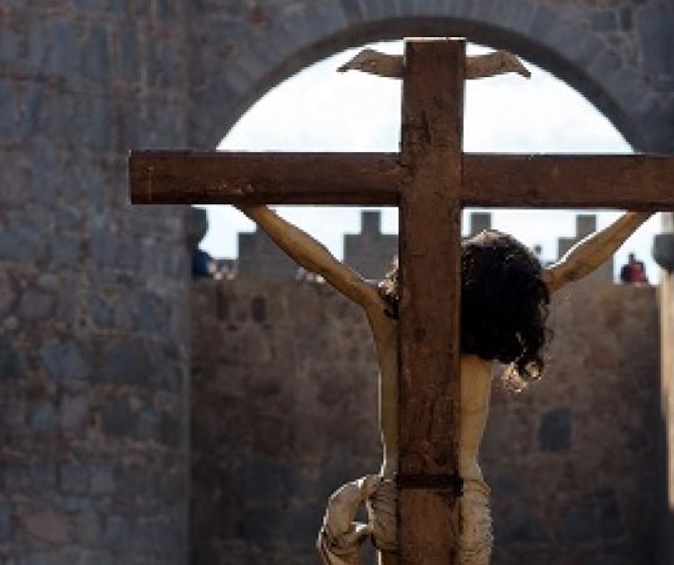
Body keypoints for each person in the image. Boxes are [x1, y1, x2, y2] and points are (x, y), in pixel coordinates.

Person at [236, 204, 652, 565]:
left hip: (398, 490)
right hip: (465, 500)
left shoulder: (390, 318)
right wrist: (639, 214)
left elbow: (323, 265)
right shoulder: (487, 332)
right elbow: (573, 266)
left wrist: (259, 214)